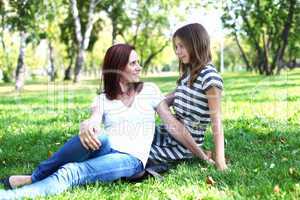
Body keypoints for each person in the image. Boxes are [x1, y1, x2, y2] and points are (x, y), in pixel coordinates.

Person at [0, 44, 212, 199]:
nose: (139, 67)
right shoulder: (103, 98)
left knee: (71, 171)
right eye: (133, 63)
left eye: (139, 62)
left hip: (131, 158)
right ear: (118, 68)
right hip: (106, 147)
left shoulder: (150, 91)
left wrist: (202, 156)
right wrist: (88, 125)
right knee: (97, 135)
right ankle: (34, 178)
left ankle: (13, 194)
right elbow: (93, 118)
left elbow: (174, 126)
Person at [148, 23, 228, 171]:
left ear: (195, 44)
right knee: (127, 139)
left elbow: (216, 121)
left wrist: (220, 161)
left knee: (136, 152)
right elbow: (170, 98)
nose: (177, 52)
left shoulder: (209, 77)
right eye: (176, 47)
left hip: (183, 145)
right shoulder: (189, 73)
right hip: (168, 134)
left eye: (181, 46)